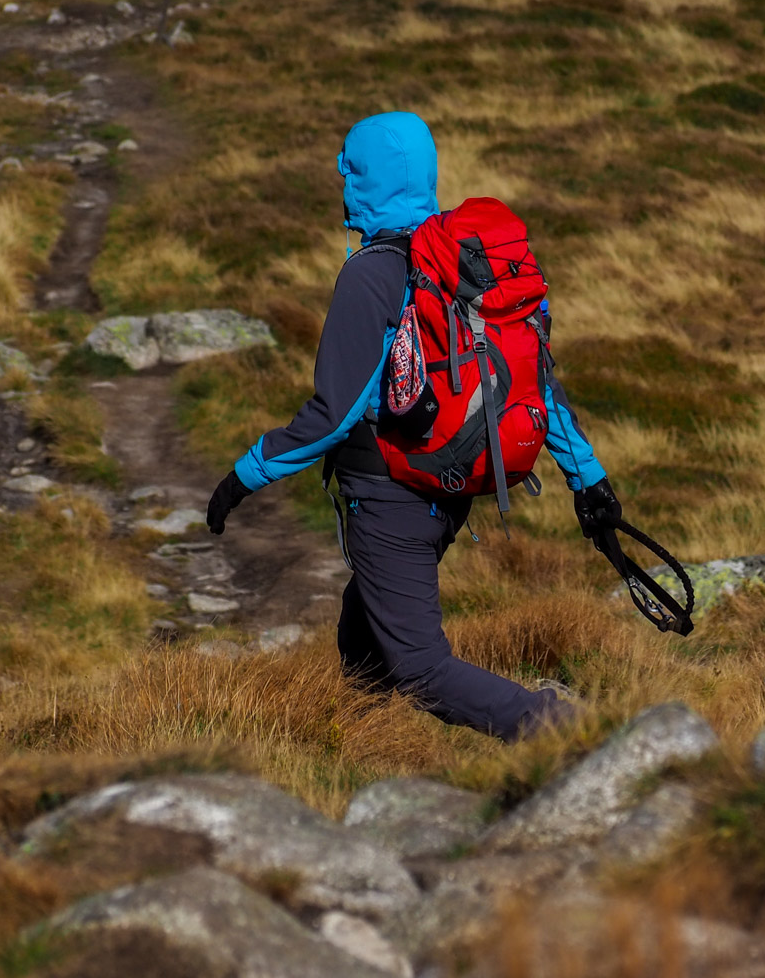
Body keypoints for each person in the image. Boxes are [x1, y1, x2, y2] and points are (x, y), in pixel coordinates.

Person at [204, 111, 622, 741]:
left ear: (363, 180)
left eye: (350, 172)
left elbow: (333, 416)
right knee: (362, 630)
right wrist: (589, 479)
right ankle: (363, 747)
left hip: (391, 497)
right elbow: (538, 383)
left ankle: (568, 732)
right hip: (446, 488)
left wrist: (243, 476)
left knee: (421, 669)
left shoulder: (371, 273)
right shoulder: (465, 262)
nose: (342, 185)